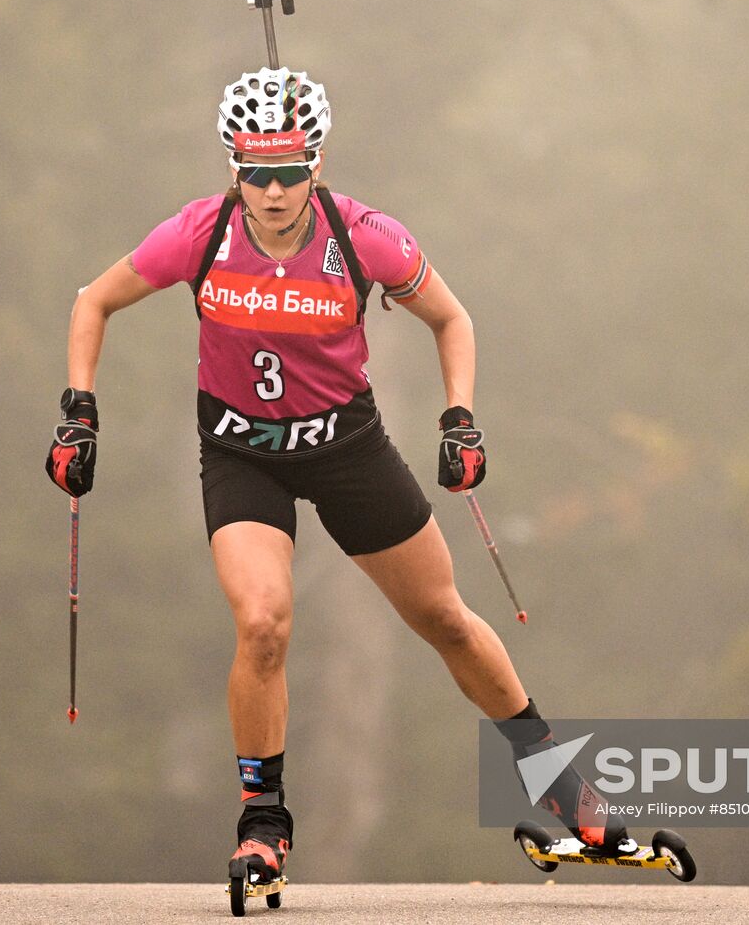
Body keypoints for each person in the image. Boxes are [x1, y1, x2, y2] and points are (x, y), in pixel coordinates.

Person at [45, 66, 629, 884]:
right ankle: (263, 823)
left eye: (290, 171)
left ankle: (562, 791)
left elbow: (451, 317)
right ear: (233, 167)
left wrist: (458, 416)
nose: (274, 190)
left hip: (347, 450)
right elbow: (91, 301)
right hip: (244, 455)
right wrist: (79, 410)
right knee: (263, 624)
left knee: (447, 621)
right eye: (257, 172)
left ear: (317, 163)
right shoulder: (199, 233)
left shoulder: (364, 237)